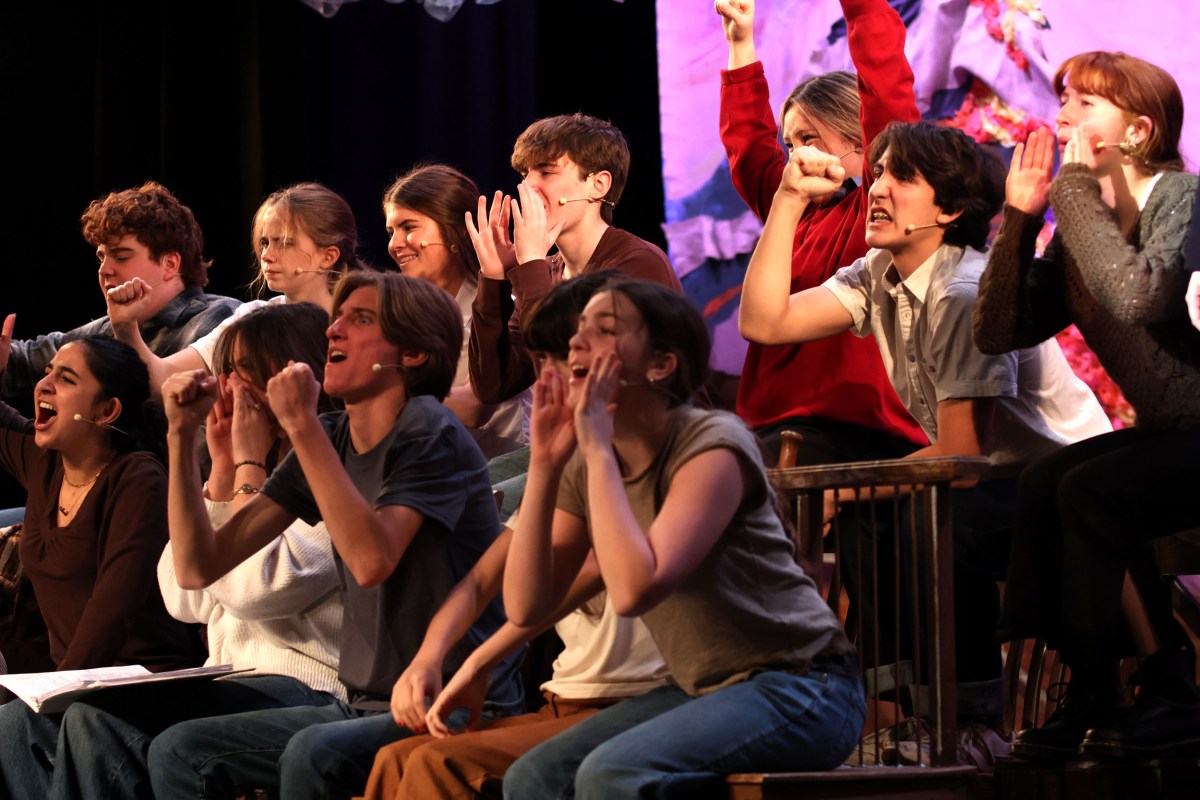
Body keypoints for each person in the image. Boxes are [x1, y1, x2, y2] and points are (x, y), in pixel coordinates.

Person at [741, 119, 1110, 758]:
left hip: (1064, 486)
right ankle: (917, 711)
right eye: (877, 171)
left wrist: (842, 492)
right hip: (993, 476)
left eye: (900, 177)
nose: (876, 187)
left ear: (950, 210)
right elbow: (765, 321)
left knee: (936, 515)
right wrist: (788, 199)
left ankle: (975, 722)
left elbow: (963, 455)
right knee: (874, 516)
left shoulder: (964, 290)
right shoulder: (878, 274)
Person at [148, 271, 523, 799]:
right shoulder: (330, 436)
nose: (334, 331)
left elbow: (372, 560)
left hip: (455, 700)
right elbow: (199, 567)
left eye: (360, 319)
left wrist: (299, 424)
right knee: (180, 750)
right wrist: (181, 437)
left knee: (314, 753)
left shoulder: (428, 429)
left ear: (412, 355)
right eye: (338, 317)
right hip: (365, 700)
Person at [498, 278, 861, 799]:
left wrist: (596, 448)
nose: (576, 343)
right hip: (701, 690)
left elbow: (632, 590)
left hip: (803, 684)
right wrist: (545, 465)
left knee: (612, 774)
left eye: (604, 330)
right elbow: (526, 606)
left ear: (660, 365)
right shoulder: (590, 460)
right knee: (533, 777)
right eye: (578, 332)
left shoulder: (713, 441)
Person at [3, 303, 346, 799]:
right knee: (15, 726)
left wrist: (244, 469)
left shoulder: (334, 470)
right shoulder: (253, 475)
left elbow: (255, 592)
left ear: (292, 376)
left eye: (244, 371)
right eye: (226, 371)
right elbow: (183, 595)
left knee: (95, 721)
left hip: (308, 686)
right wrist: (223, 471)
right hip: (229, 678)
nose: (228, 387)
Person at [360, 271, 669, 800]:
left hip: (639, 698)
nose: (552, 379)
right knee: (394, 761)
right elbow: (483, 580)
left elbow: (584, 577)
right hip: (567, 694)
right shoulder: (568, 468)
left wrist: (479, 660)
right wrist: (429, 657)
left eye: (566, 362)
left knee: (437, 766)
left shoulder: (649, 456)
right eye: (542, 364)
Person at [974, 50, 1200, 760]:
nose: (1062, 111)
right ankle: (1096, 685)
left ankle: (1169, 686)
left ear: (1137, 131)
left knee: (1097, 490)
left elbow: (1138, 295)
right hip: (1177, 432)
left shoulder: (1183, 198)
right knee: (1051, 483)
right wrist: (1019, 218)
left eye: (1085, 101)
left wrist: (1069, 192)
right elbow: (998, 331)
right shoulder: (1081, 226)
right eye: (1063, 96)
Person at [717, 0, 927, 464]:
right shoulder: (790, 210)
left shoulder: (878, 207)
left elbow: (886, 89)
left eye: (808, 139)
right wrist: (740, 43)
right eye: (788, 142)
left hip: (850, 431)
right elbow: (748, 145)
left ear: (858, 138)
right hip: (770, 426)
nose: (793, 154)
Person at [0, 330, 206, 793]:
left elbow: (111, 608)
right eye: (47, 372)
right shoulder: (43, 463)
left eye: (66, 378)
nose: (44, 384)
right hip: (77, 687)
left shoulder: (139, 478)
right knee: (9, 724)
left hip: (149, 685)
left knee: (74, 720)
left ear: (106, 411)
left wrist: (55, 692)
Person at [466, 112, 683, 406]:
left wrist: (531, 264)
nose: (527, 186)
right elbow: (493, 386)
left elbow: (574, 381)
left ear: (598, 185)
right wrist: (494, 280)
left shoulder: (637, 262)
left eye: (545, 171)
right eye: (524, 174)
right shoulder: (548, 269)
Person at [107, 181, 370, 396]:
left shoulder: (367, 319)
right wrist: (126, 328)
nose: (266, 255)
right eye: (265, 242)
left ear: (328, 256)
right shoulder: (251, 317)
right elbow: (163, 381)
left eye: (285, 243)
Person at [0, 182, 238, 402]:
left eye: (121, 256)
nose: (104, 270)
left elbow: (167, 408)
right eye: (101, 257)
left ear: (170, 264)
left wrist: (126, 330)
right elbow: (23, 362)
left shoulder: (221, 317)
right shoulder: (106, 328)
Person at [383, 164, 528, 459]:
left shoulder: (502, 305)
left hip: (501, 475)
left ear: (456, 231)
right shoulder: (401, 310)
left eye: (408, 227)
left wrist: (378, 399)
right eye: (391, 231)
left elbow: (474, 408)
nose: (394, 244)